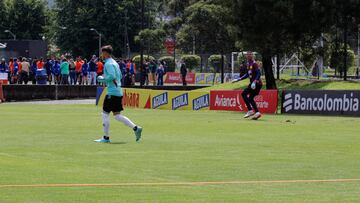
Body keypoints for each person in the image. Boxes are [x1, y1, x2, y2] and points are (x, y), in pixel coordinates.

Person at [94, 45, 142, 143]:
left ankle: (106, 138)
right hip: (118, 92)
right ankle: (136, 128)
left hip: (112, 93)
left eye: (102, 52)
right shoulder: (115, 62)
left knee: (105, 114)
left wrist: (103, 79)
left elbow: (111, 76)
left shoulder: (108, 63)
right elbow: (119, 76)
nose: (101, 55)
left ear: (106, 53)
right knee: (116, 115)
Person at [232, 52, 263, 120]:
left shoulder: (254, 63)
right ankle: (257, 113)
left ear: (252, 56)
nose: (249, 55)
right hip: (255, 84)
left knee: (243, 94)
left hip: (256, 84)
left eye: (250, 54)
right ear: (246, 56)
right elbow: (247, 75)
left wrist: (254, 81)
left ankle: (250, 111)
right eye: (248, 54)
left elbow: (259, 73)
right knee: (250, 98)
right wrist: (238, 79)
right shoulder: (248, 64)